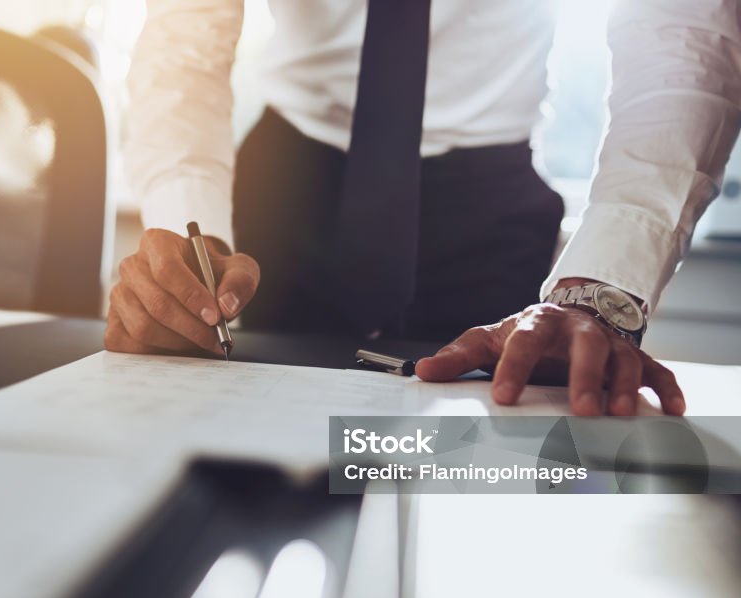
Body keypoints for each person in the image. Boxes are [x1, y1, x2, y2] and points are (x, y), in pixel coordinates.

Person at [106, 0, 741, 416]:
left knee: (473, 467)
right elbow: (185, 39)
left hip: (488, 203)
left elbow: (684, 37)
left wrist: (603, 287)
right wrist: (189, 233)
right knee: (240, 442)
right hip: (288, 188)